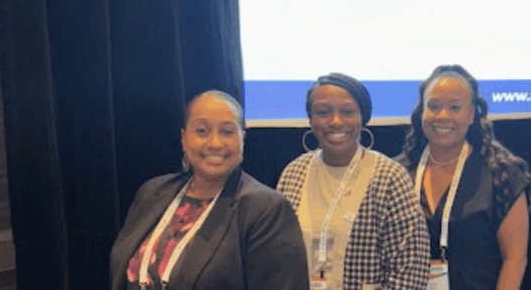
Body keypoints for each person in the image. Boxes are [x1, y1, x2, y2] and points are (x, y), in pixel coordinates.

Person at [110, 90, 309, 290]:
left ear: (242, 138)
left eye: (227, 132)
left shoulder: (265, 209)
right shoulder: (152, 193)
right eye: (202, 131)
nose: (215, 143)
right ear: (183, 137)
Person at [277, 73, 430, 290]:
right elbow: (279, 259)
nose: (336, 121)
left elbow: (410, 274)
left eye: (347, 112)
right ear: (310, 119)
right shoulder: (293, 174)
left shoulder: (390, 178)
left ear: (363, 117)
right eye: (323, 112)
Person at [397, 65, 531, 290]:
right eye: (433, 106)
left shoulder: (502, 173)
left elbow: (515, 260)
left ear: (472, 114)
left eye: (455, 107)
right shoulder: (397, 173)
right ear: (421, 111)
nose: (443, 116)